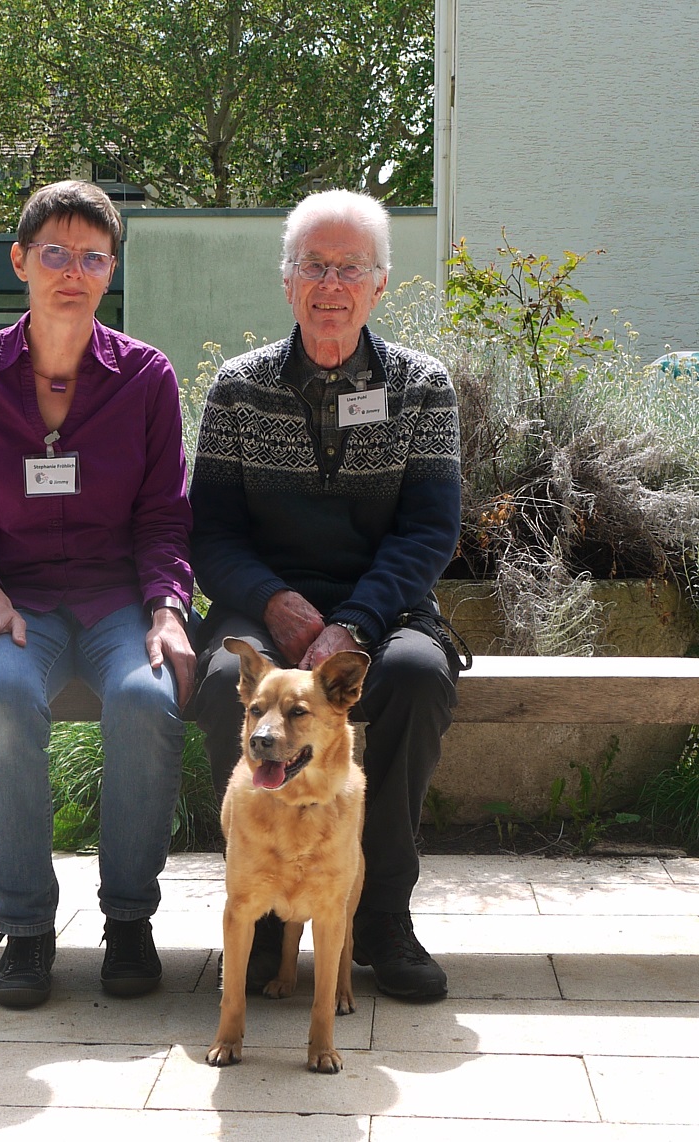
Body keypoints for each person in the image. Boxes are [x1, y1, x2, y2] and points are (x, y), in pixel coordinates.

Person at [187, 188, 462, 1000]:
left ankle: (380, 918)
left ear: (380, 284)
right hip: (262, 605)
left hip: (385, 609)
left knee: (413, 676)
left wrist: (352, 623)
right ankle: (269, 921)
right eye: (315, 265)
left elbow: (428, 533)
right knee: (214, 687)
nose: (331, 283)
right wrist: (276, 606)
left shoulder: (423, 387)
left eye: (351, 267)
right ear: (287, 280)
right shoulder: (236, 389)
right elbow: (210, 536)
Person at [0, 180, 194, 1008]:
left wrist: (166, 609)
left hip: (120, 602)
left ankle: (128, 920)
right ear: (20, 261)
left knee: (148, 699)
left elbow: (163, 516)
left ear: (110, 271)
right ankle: (28, 929)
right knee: (1, 696)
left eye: (91, 256)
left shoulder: (145, 377)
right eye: (54, 252)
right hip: (13, 604)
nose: (71, 270)